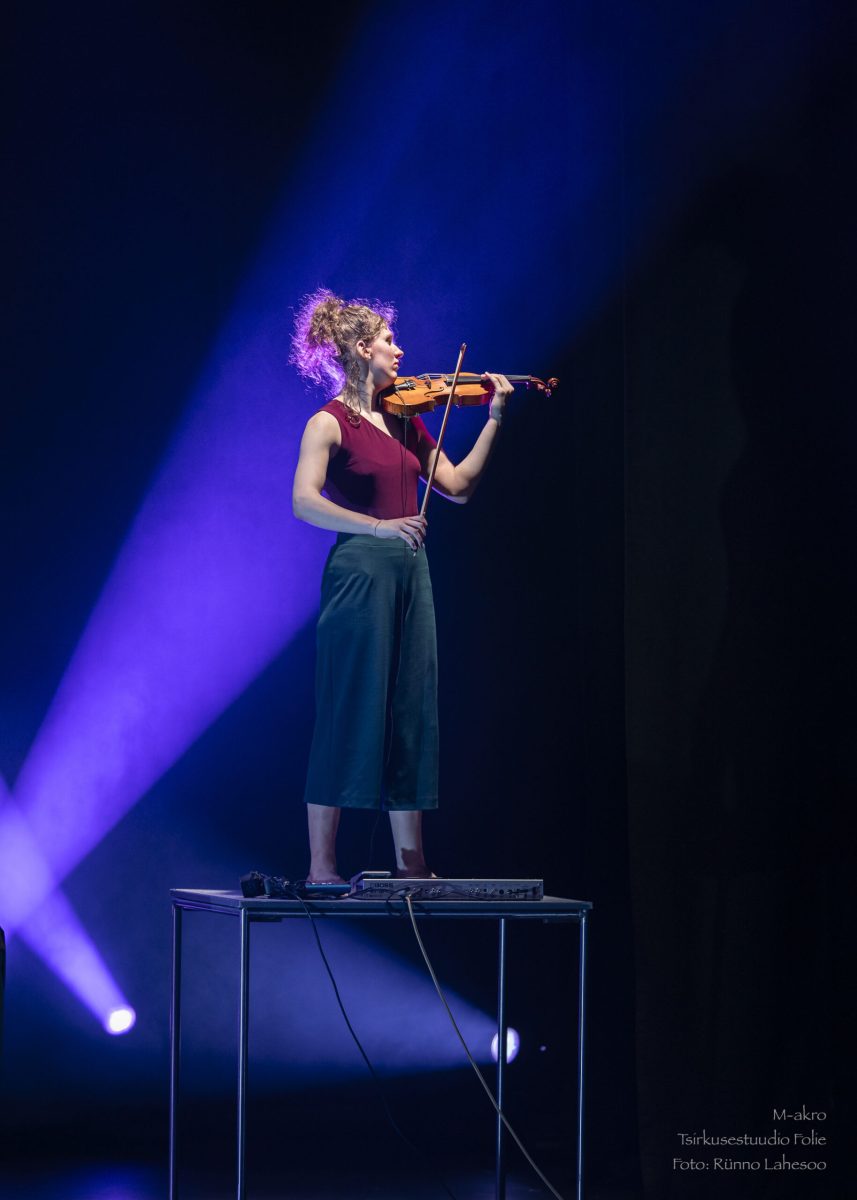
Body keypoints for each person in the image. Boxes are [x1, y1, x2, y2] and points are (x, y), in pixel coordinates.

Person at [291, 289, 512, 883]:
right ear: (363, 348)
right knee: (348, 706)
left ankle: (412, 864)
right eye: (390, 340)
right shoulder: (328, 422)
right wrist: (379, 527)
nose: (400, 350)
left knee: (411, 708)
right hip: (360, 571)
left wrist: (494, 417)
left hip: (412, 569)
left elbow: (458, 487)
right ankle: (321, 867)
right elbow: (304, 502)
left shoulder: (406, 419)